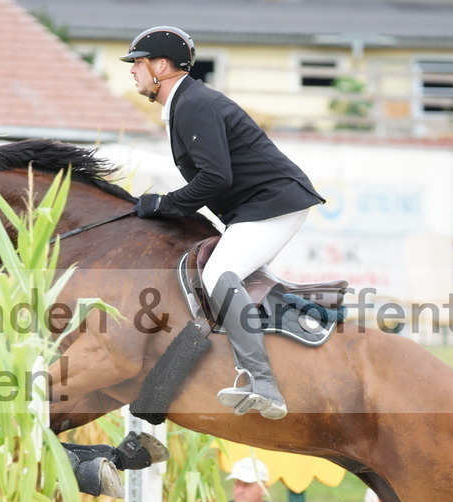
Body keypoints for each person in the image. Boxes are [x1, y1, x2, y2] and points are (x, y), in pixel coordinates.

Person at [121, 27, 324, 420]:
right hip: (261, 205)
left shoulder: (194, 103)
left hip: (274, 203)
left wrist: (165, 205)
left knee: (219, 275)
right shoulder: (185, 103)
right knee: (226, 277)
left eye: (138, 63)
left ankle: (263, 382)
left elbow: (216, 179)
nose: (133, 72)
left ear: (161, 66)